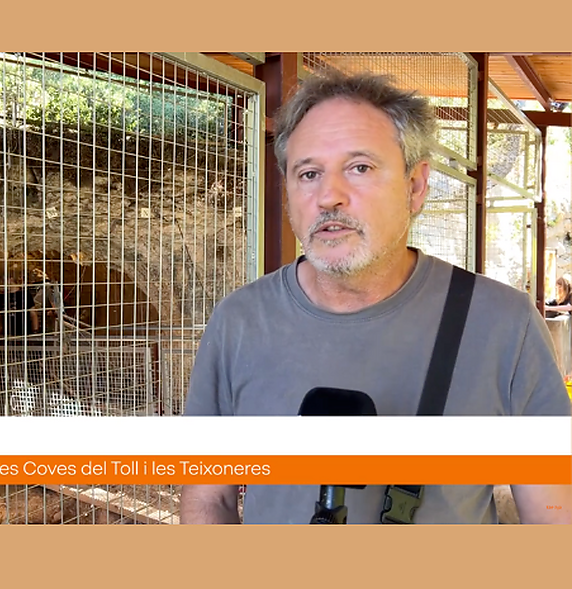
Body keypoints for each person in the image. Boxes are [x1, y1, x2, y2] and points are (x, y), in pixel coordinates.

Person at [180, 71, 572, 524]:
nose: (329, 196)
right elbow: (210, 498)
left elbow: (554, 515)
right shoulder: (240, 322)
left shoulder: (504, 324)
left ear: (416, 186)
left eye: (359, 168)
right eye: (308, 173)